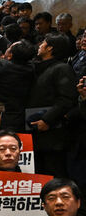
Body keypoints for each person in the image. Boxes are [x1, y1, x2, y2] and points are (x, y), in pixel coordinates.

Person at [28, 33, 78, 176]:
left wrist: (47, 119)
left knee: (54, 172)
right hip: (36, 130)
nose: (39, 45)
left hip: (53, 132)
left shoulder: (62, 68)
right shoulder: (39, 66)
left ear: (50, 48)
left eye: (43, 42)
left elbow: (67, 99)